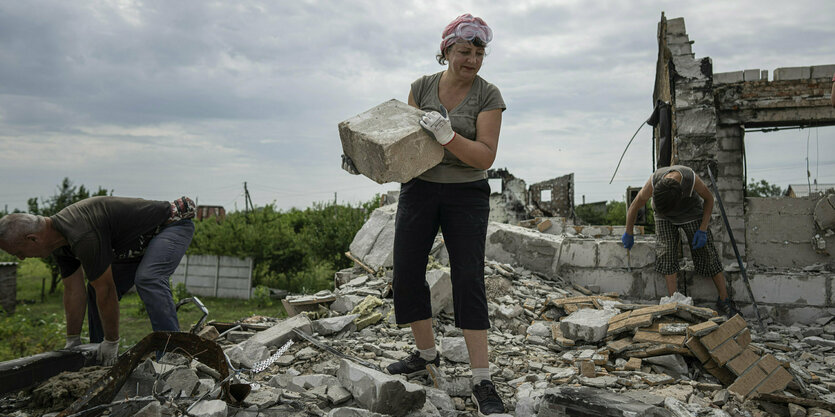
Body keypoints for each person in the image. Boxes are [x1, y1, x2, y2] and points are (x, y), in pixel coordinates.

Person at [384, 13, 505, 416]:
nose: (472, 59)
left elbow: (486, 155)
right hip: (419, 187)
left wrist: (449, 136)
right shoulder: (421, 87)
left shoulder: (488, 96)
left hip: (466, 193)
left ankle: (482, 379)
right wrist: (369, 160)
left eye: (479, 52)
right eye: (464, 51)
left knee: (468, 277)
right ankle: (426, 355)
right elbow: (404, 146)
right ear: (446, 50)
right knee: (405, 271)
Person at [0, 196, 195, 365]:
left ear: (33, 239)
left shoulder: (81, 233)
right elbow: (74, 291)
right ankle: (98, 355)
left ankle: (172, 355)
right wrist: (73, 341)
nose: (21, 258)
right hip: (136, 243)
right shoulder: (59, 243)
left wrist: (112, 341)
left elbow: (107, 290)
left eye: (18, 252)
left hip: (171, 225)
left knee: (148, 278)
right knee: (93, 292)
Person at [622, 165, 740, 318]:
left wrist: (703, 229)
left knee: (707, 252)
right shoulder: (654, 182)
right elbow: (634, 205)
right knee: (666, 251)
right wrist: (628, 231)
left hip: (690, 213)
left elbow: (709, 199)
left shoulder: (690, 179)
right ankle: (674, 301)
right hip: (663, 216)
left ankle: (724, 299)